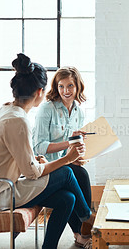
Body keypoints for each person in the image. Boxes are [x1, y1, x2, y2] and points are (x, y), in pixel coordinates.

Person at [0, 53, 94, 249]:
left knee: (67, 199)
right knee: (67, 172)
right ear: (40, 92)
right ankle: (87, 217)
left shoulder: (7, 110)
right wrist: (68, 158)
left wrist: (35, 158)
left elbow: (14, 154)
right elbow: (31, 173)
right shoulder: (18, 120)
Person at [32, 66, 92, 246]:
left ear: (78, 87)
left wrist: (78, 155)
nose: (66, 91)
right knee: (78, 175)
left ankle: (81, 232)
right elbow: (39, 147)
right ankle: (85, 225)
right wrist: (70, 143)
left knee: (79, 172)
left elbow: (70, 152)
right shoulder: (47, 109)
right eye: (61, 86)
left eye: (70, 86)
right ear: (56, 88)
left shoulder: (78, 112)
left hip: (65, 165)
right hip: (46, 168)